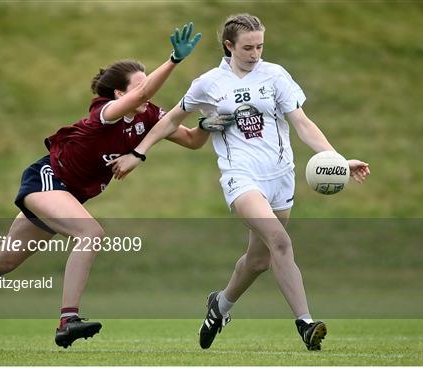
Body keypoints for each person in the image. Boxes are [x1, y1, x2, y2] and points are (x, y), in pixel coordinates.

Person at [0, 22, 206, 350]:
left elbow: (191, 140)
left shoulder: (149, 117)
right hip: (48, 180)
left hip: (68, 194)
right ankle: (67, 319)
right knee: (91, 233)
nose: (148, 92)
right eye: (139, 86)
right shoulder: (107, 113)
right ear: (118, 94)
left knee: (7, 259)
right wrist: (174, 59)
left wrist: (211, 120)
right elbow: (143, 94)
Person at [108, 14, 371, 351]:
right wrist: (138, 153)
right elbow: (171, 118)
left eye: (260, 45)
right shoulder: (209, 83)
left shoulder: (275, 76)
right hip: (240, 177)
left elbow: (303, 123)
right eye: (248, 47)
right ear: (229, 46)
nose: (255, 53)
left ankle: (221, 305)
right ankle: (305, 323)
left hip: (281, 178)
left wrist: (337, 160)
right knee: (280, 241)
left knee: (259, 261)